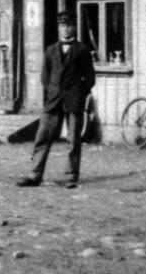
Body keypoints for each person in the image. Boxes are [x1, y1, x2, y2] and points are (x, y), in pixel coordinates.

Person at [17, 11, 95, 189]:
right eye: (62, 26)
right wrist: (54, 91)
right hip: (53, 101)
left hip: (74, 102)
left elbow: (90, 79)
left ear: (74, 27)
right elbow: (44, 77)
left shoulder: (82, 50)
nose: (66, 29)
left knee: (73, 140)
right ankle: (34, 175)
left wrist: (78, 93)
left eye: (69, 25)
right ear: (59, 28)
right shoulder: (51, 50)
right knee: (42, 137)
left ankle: (71, 176)